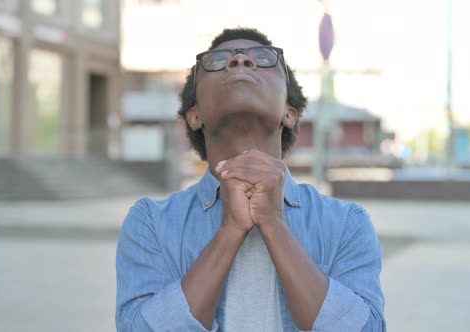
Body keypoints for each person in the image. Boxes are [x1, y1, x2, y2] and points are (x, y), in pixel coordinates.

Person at [116, 27, 385, 331]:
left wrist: (275, 225)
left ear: (289, 113)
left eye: (263, 58)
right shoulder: (150, 223)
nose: (241, 60)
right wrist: (230, 231)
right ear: (195, 116)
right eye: (218, 60)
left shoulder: (346, 223)